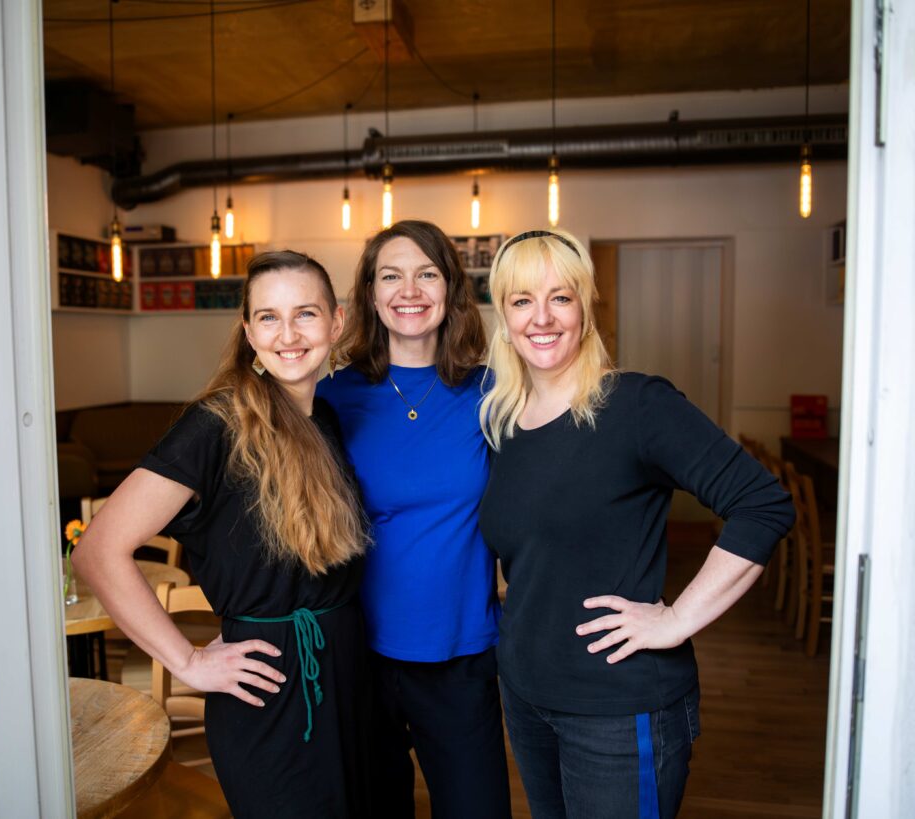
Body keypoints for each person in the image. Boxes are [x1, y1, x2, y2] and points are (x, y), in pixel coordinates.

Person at [477, 229, 796, 819]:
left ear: (585, 307)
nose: (541, 317)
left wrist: (678, 619)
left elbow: (763, 504)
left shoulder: (636, 405)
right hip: (525, 694)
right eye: (522, 300)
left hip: (617, 710)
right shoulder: (504, 420)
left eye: (560, 297)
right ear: (504, 315)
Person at [72, 251, 372, 819]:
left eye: (305, 314)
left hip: (346, 677)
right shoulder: (215, 424)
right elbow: (98, 552)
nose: (288, 334)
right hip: (268, 688)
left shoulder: (325, 419)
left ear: (336, 322)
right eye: (268, 317)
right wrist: (186, 661)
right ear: (248, 331)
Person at [317, 220, 511, 818]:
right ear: (370, 294)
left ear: (451, 289)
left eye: (427, 274)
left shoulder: (492, 394)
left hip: (461, 655)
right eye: (391, 276)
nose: (409, 290)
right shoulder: (332, 398)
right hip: (359, 655)